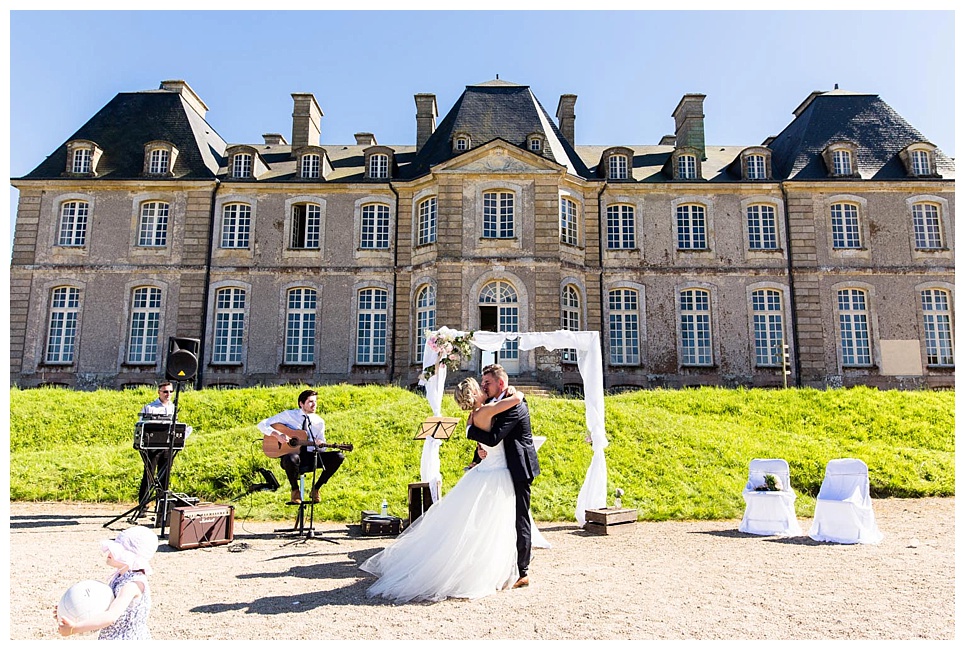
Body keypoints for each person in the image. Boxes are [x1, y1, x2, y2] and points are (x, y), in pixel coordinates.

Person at [359, 378, 525, 603]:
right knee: (494, 526)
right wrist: (515, 392)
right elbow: (517, 399)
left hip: (485, 471)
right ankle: (491, 572)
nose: (484, 388)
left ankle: (489, 569)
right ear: (475, 394)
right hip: (496, 474)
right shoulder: (486, 410)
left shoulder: (472, 416)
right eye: (481, 386)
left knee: (482, 526)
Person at [467, 363, 540, 589]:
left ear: (500, 383)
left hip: (519, 467)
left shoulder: (515, 406)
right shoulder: (497, 403)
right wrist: (478, 455)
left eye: (486, 383)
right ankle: (505, 565)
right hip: (502, 468)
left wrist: (469, 431)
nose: (483, 387)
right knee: (501, 518)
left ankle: (523, 571)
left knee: (520, 519)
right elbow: (488, 434)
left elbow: (495, 436)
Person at [55, 525, 158, 639]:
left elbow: (111, 617)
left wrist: (74, 628)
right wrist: (71, 612)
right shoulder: (120, 576)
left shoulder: (132, 585)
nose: (109, 551)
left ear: (129, 557)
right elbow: (102, 606)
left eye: (117, 551)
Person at [257, 389, 343, 504]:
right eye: (310, 402)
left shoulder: (319, 422)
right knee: (291, 457)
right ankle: (295, 490)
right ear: (301, 404)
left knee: (338, 456)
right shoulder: (288, 415)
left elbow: (322, 448)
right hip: (291, 458)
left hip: (309, 456)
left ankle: (316, 488)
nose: (314, 405)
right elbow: (262, 424)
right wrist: (277, 435)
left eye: (315, 402)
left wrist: (320, 445)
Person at [136, 382, 192, 513]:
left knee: (164, 477)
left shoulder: (173, 407)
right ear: (159, 392)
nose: (168, 394)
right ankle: (143, 506)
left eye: (170, 392)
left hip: (167, 446)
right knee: (149, 475)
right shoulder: (149, 407)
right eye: (165, 392)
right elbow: (141, 425)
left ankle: (161, 507)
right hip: (152, 447)